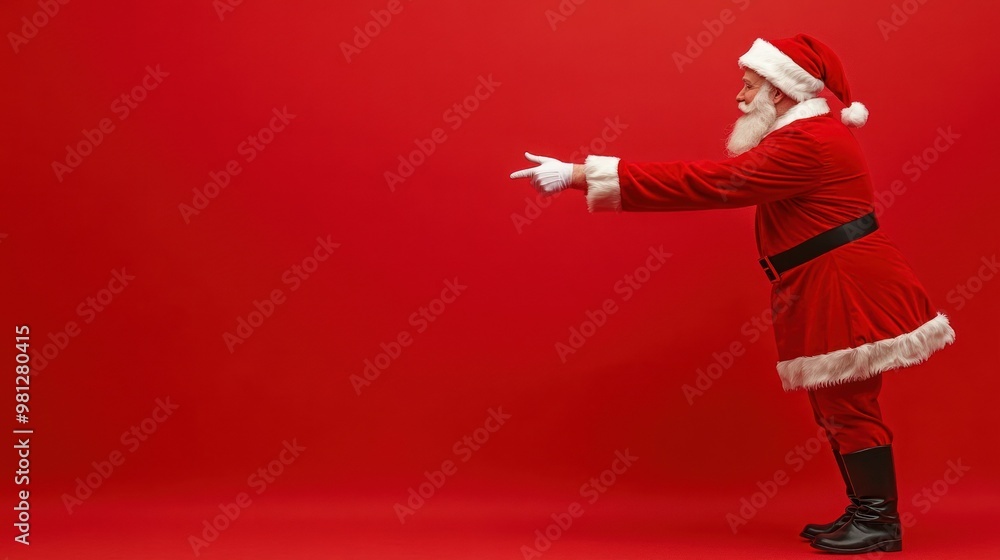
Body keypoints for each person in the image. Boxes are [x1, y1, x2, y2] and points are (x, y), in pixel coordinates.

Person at [509, 34, 955, 554]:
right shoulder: (805, 137)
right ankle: (867, 514)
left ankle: (878, 522)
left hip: (845, 284)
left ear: (782, 93)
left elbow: (712, 182)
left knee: (846, 403)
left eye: (749, 87)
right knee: (836, 404)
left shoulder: (808, 142)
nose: (739, 99)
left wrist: (582, 174)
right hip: (828, 279)